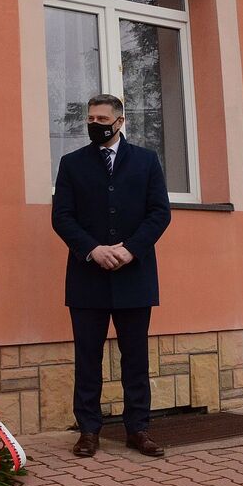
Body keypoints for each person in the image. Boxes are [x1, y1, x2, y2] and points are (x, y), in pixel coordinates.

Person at [51, 93, 171, 458]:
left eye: (102, 119)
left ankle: (139, 429)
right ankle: (88, 430)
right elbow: (62, 217)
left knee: (135, 357)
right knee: (88, 357)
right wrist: (93, 249)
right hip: (88, 276)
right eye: (90, 118)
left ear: (120, 122)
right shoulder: (72, 164)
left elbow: (159, 213)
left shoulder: (146, 161)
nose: (95, 125)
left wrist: (129, 248)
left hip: (134, 275)